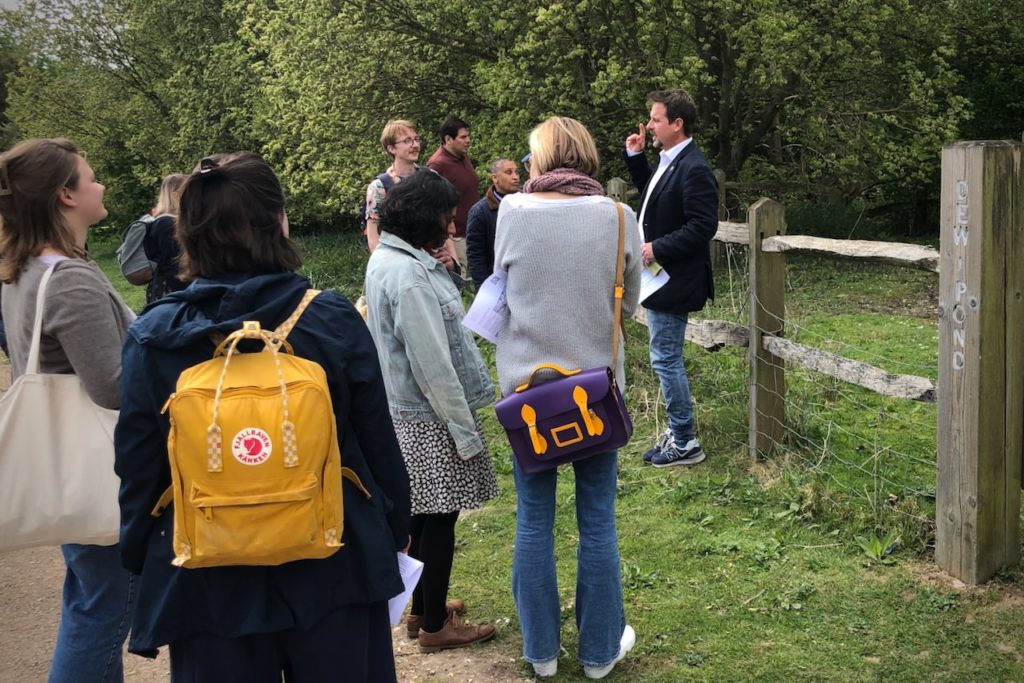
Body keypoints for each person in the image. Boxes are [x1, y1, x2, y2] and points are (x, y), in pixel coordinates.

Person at [114, 153, 411, 681]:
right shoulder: (329, 317)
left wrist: (140, 549)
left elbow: (139, 463)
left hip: (207, 570)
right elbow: (375, 437)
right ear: (280, 221)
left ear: (186, 237)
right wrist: (394, 525)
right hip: (333, 558)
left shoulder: (155, 335)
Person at [494, 117, 642, 679]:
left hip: (529, 397)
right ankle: (600, 652)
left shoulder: (510, 212)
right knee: (597, 522)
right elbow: (627, 307)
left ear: (540, 159)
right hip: (595, 396)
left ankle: (542, 652)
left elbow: (503, 294)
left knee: (534, 522)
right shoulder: (618, 217)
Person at [0, 137, 136, 683]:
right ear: (65, 195)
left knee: (91, 602)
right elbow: (114, 387)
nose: (100, 185)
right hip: (100, 462)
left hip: (67, 460)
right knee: (106, 609)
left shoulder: (24, 268)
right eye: (92, 176)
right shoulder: (71, 279)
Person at [364, 169, 499, 653]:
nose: (451, 227)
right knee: (440, 518)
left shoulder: (395, 259)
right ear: (425, 217)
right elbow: (433, 365)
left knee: (422, 516)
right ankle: (438, 626)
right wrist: (464, 430)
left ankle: (423, 608)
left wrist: (444, 267)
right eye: (446, 217)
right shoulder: (408, 277)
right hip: (428, 415)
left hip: (408, 412)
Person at [623, 89, 718, 468]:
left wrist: (657, 248)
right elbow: (654, 195)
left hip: (674, 279)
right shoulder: (669, 161)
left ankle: (684, 440)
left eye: (656, 119)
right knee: (664, 357)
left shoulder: (695, 167)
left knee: (666, 360)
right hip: (661, 278)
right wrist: (636, 156)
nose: (649, 125)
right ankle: (679, 433)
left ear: (677, 124)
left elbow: (702, 225)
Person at [426, 116, 479, 268]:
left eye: (468, 136)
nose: (468, 140)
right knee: (463, 281)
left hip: (472, 232)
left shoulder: (463, 157)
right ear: (448, 139)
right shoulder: (437, 164)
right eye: (463, 137)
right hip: (456, 238)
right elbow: (431, 204)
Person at [465, 158, 519, 288]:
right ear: (495, 178)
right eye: (509, 172)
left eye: (516, 172)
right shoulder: (480, 212)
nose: (515, 177)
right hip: (496, 282)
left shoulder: (525, 203)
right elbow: (476, 256)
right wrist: (485, 289)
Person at [142, 173, 188, 303]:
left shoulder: (169, 221)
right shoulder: (166, 223)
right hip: (173, 291)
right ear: (175, 194)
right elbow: (172, 264)